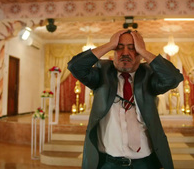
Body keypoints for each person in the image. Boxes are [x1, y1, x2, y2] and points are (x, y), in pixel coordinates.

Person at [68, 30, 184, 169]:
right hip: (108, 163)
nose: (125, 53)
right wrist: (109, 45)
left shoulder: (149, 76)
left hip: (145, 163)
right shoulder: (102, 74)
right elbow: (75, 66)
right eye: (119, 47)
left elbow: (173, 78)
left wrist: (143, 50)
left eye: (132, 48)